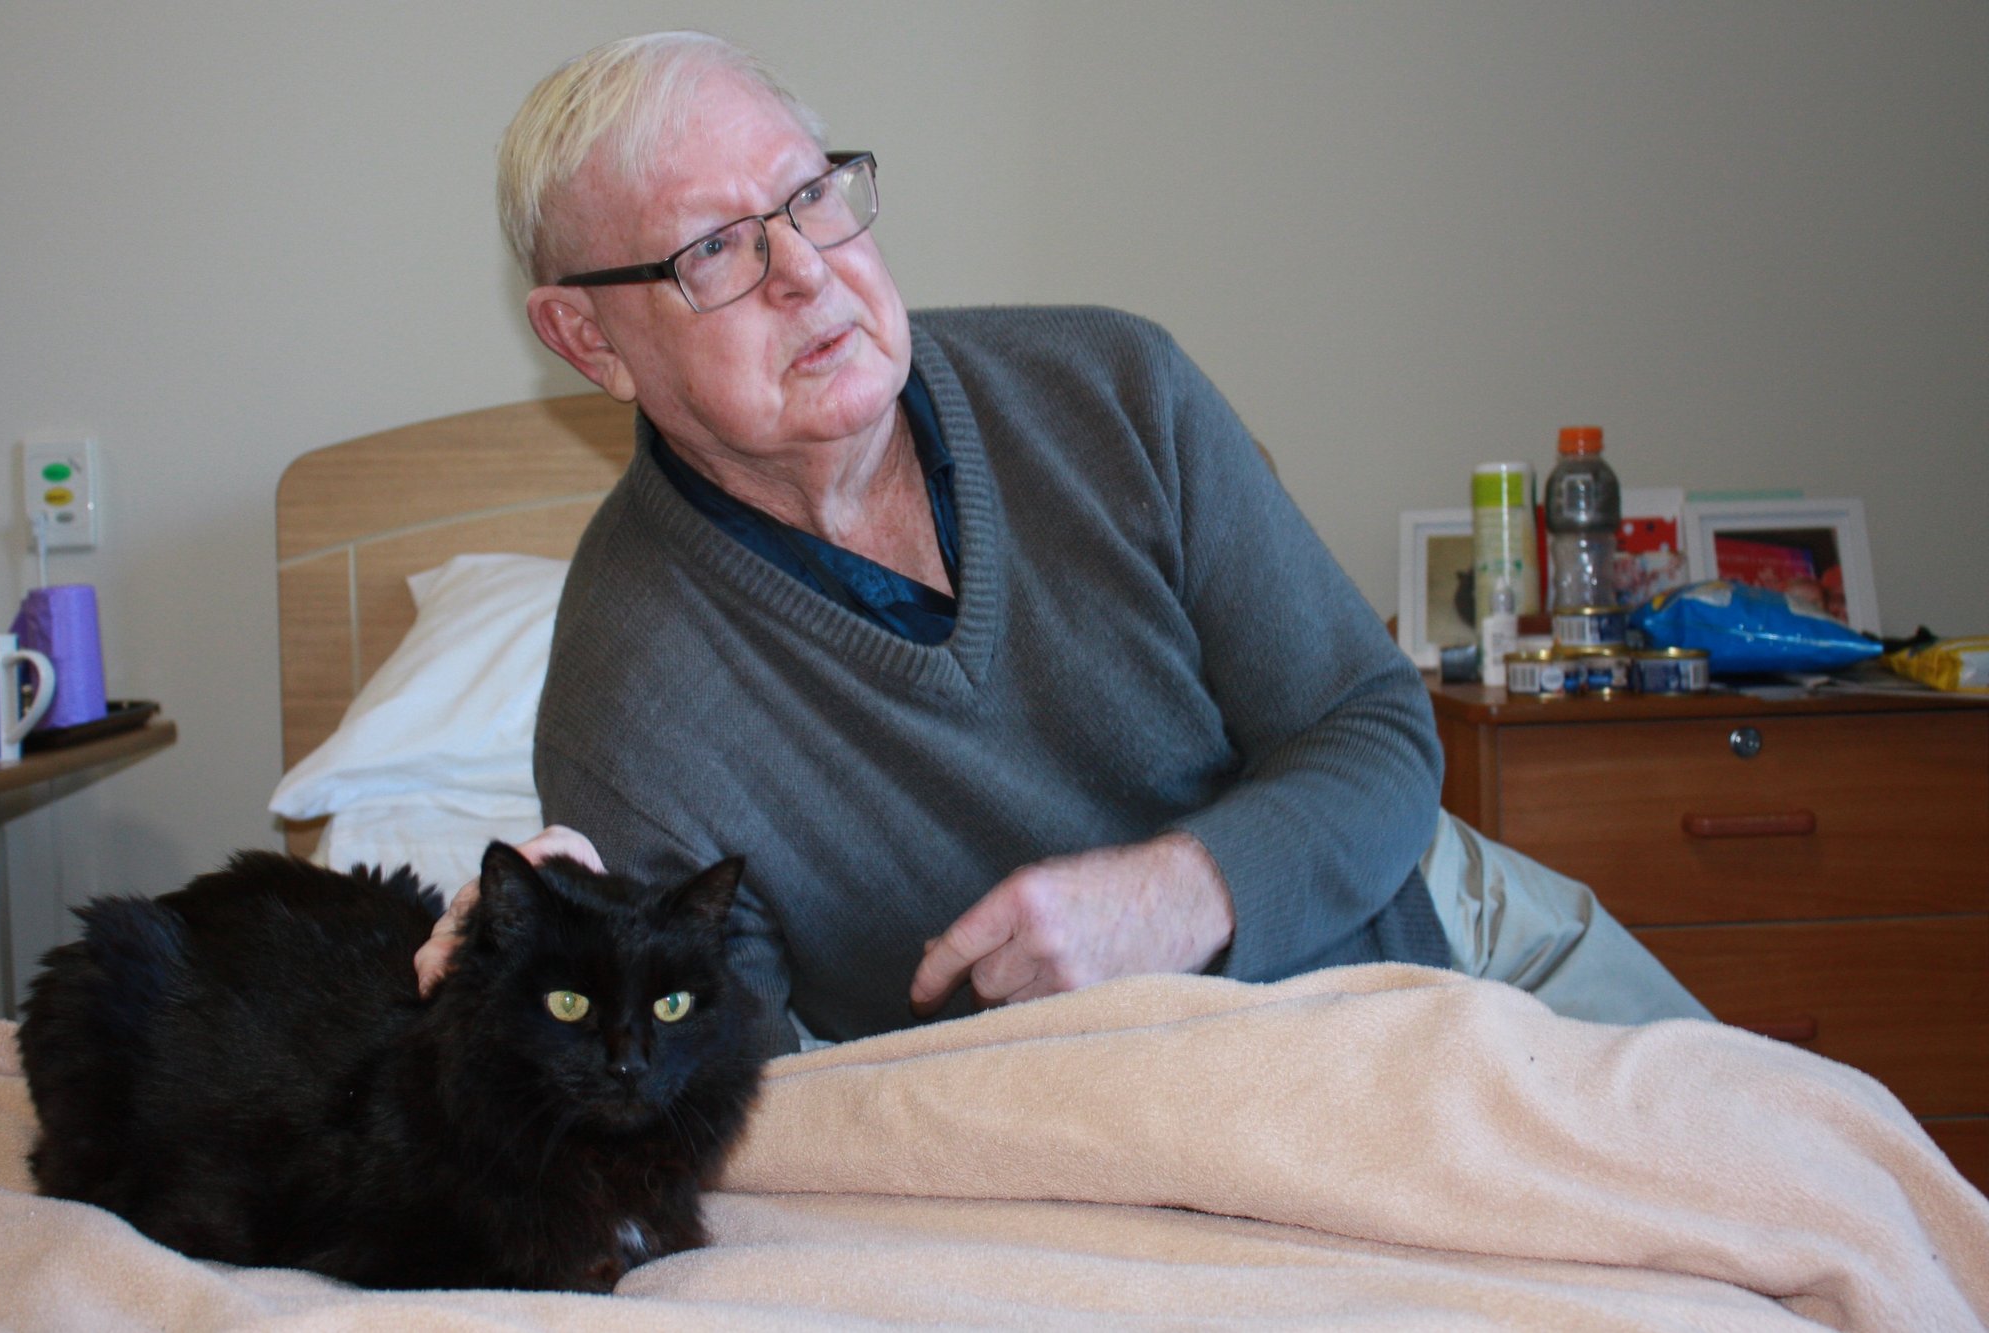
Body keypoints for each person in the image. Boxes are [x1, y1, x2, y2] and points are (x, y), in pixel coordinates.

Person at [418, 31, 1709, 1054]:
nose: (804, 270)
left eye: (809, 196)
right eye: (711, 251)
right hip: (1119, 1133)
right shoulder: (625, 693)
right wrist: (520, 994)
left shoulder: (1113, 386)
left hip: (1441, 937)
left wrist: (1183, 890)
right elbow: (729, 1085)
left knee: (1804, 1175)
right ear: (588, 341)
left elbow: (1377, 733)